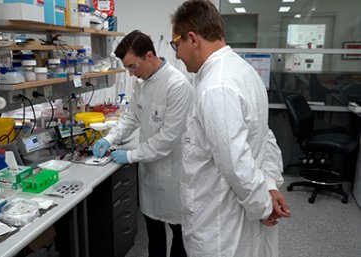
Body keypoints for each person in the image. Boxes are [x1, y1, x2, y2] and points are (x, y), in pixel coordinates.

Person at [171, 0, 291, 256]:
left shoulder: (217, 86)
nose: (176, 55)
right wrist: (268, 185)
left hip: (220, 224)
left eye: (175, 44)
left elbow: (236, 164)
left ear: (192, 39)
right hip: (235, 210)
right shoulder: (243, 71)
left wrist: (263, 206)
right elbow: (263, 136)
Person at [92, 30, 193, 257]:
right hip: (150, 173)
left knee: (180, 235)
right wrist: (109, 138)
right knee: (154, 234)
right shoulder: (142, 82)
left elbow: (167, 138)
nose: (130, 74)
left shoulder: (177, 86)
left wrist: (130, 156)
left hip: (174, 174)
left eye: (132, 67)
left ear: (149, 56)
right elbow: (131, 117)